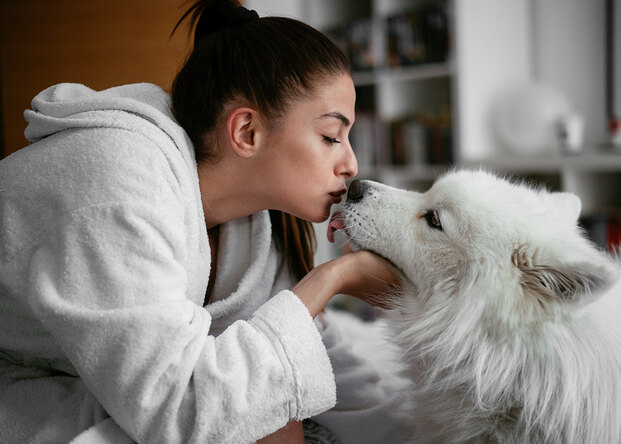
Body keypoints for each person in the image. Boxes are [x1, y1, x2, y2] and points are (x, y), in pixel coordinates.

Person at [0, 1, 408, 443]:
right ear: (247, 132)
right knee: (265, 419)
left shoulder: (256, 228)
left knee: (273, 414)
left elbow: (316, 350)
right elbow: (177, 410)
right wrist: (333, 278)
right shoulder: (122, 181)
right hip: (15, 377)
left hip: (86, 376)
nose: (351, 163)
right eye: (331, 136)